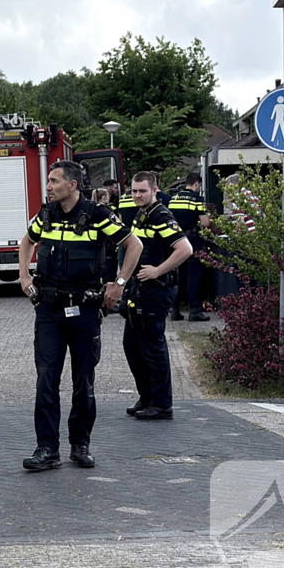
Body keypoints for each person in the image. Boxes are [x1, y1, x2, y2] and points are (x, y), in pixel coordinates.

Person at [18, 161, 142, 470]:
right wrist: (24, 277)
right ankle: (46, 449)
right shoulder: (46, 215)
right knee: (46, 378)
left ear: (72, 185)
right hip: (48, 310)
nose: (48, 186)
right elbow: (26, 242)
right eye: (48, 181)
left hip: (85, 310)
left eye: (54, 181)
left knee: (83, 380)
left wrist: (119, 284)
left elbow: (134, 244)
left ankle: (80, 445)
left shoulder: (98, 215)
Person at [122, 171, 193, 420]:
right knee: (132, 346)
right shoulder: (142, 215)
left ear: (155, 190)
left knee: (153, 348)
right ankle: (148, 396)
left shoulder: (161, 215)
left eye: (143, 191)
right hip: (139, 290)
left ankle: (162, 404)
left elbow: (185, 249)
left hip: (156, 290)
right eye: (134, 191)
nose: (138, 195)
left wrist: (157, 271)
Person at [169, 172, 212, 322]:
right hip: (193, 240)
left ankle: (175, 309)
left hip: (177, 240)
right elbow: (205, 223)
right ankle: (194, 311)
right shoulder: (197, 200)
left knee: (180, 275)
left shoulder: (174, 199)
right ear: (196, 184)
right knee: (194, 275)